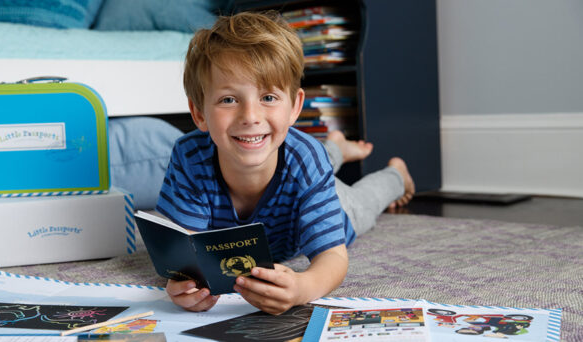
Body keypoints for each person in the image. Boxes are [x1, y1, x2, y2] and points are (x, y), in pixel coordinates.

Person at [155, 11, 415, 315]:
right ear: (199, 113)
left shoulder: (305, 160)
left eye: (268, 97)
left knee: (360, 202)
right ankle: (337, 147)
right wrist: (182, 283)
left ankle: (396, 174)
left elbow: (332, 256)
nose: (250, 116)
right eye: (229, 100)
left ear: (295, 107)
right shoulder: (189, 157)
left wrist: (303, 288)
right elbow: (181, 253)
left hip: (311, 183)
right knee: (278, 146)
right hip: (285, 154)